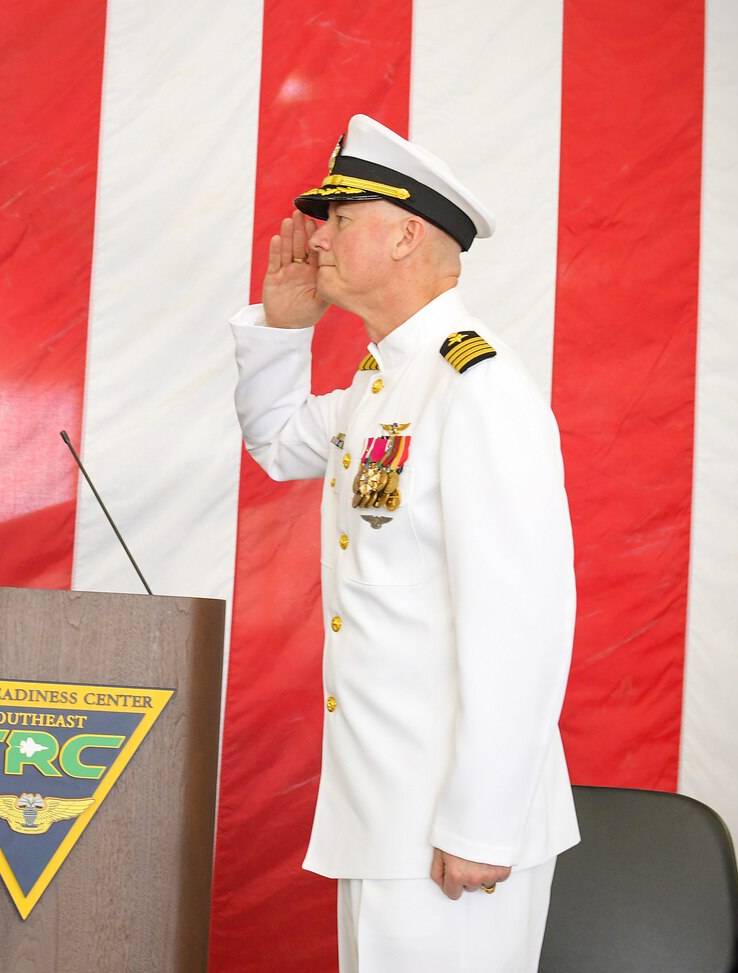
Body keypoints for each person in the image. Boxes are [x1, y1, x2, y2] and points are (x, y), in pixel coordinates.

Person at [230, 114, 579, 971]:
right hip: (388, 817)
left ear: (407, 236)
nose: (318, 234)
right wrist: (282, 333)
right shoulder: (384, 379)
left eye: (341, 218)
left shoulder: (477, 386)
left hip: (451, 830)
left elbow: (521, 619)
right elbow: (277, 441)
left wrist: (482, 821)